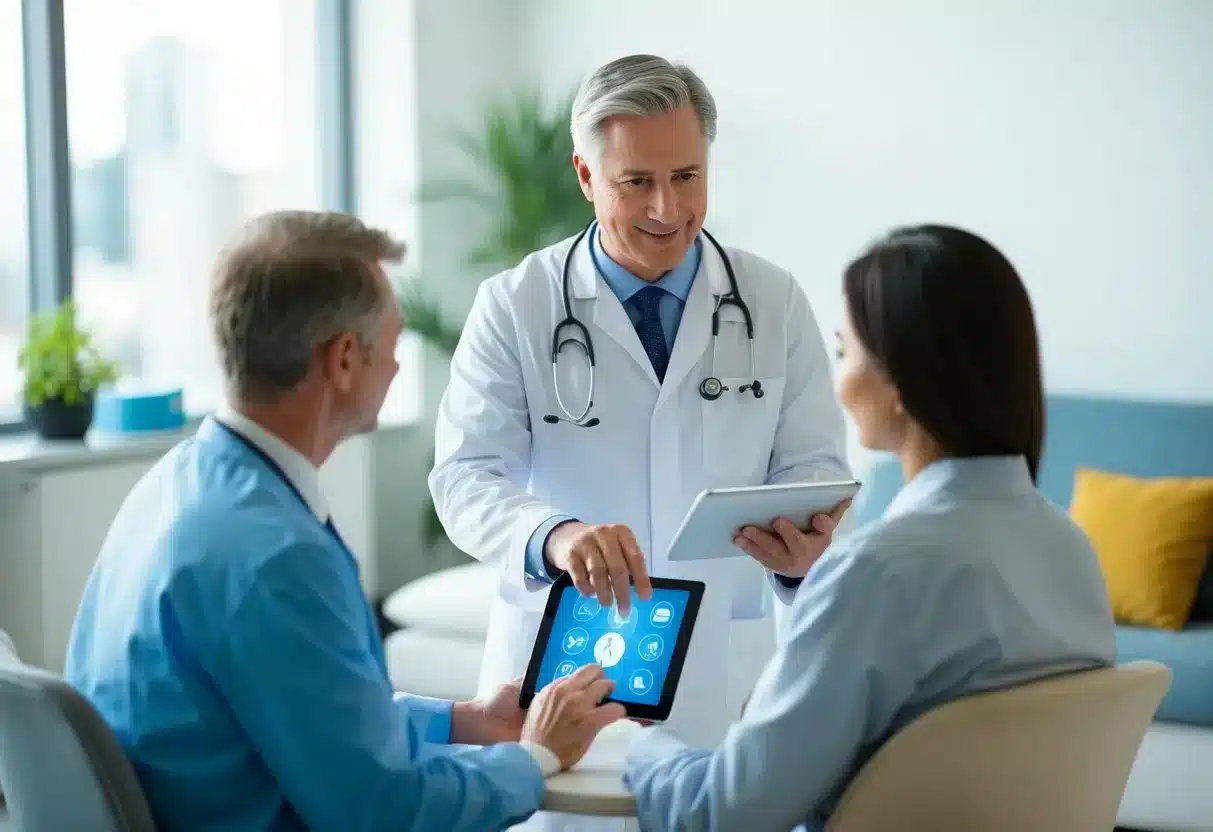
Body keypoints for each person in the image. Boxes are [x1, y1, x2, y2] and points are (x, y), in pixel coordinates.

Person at [64, 210, 625, 832]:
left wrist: (463, 719)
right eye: (392, 342)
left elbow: (310, 717)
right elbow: (383, 811)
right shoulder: (277, 557)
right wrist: (536, 758)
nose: (395, 366)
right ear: (344, 360)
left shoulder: (175, 484)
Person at [428, 54, 851, 830]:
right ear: (585, 175)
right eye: (636, 183)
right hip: (569, 669)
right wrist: (553, 536)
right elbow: (463, 477)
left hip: (726, 665)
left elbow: (815, 466)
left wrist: (803, 545)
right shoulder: (516, 305)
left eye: (687, 176)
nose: (667, 207)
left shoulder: (771, 300)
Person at [622, 224, 1118, 831]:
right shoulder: (1071, 549)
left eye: (842, 351)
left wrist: (634, 745)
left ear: (901, 383)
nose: (838, 379)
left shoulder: (876, 572)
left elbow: (724, 814)